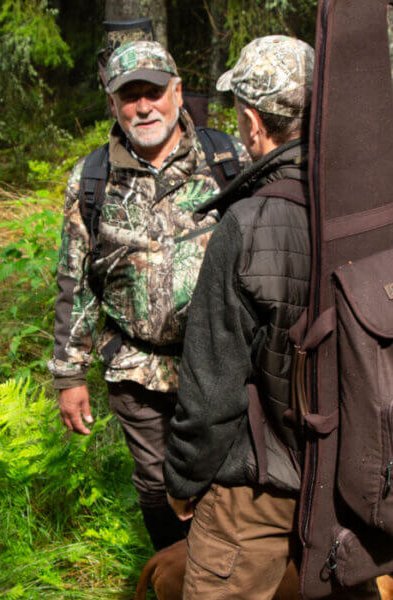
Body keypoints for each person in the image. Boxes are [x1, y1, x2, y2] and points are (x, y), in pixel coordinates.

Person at [47, 40, 248, 552]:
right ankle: (174, 569)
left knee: (230, 478)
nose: (143, 106)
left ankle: (230, 574)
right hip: (136, 369)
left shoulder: (228, 157)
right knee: (158, 486)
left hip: (221, 364)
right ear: (113, 104)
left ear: (177, 93)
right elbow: (75, 280)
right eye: (129, 95)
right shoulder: (91, 179)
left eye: (153, 92)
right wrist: (70, 373)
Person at [164, 35, 316, 600]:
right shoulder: (384, 212)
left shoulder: (246, 224)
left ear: (252, 122)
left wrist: (182, 479)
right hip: (357, 480)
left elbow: (211, 390)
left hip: (254, 497)